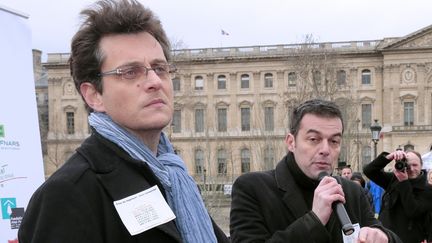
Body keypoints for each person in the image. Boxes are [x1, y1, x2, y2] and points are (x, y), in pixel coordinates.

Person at [18, 1, 229, 242]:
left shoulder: (174, 178)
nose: (155, 81)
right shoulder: (66, 194)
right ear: (94, 95)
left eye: (159, 68)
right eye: (130, 72)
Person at [230, 99, 401, 243]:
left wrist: (384, 237)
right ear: (291, 142)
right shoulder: (252, 188)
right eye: (314, 139)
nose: (325, 149)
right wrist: (314, 220)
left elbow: (386, 234)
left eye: (334, 141)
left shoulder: (352, 191)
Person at [363, 149, 432, 243]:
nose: (411, 169)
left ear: (421, 165)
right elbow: (369, 171)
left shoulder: (427, 189)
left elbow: (413, 211)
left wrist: (404, 182)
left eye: (415, 165)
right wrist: (389, 157)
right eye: (407, 165)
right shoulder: (394, 180)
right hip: (387, 237)